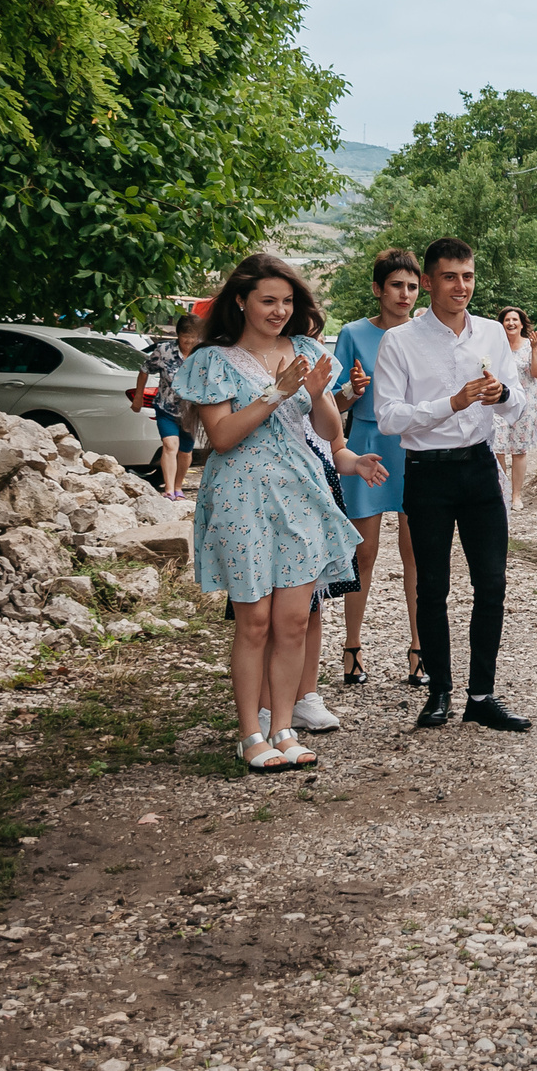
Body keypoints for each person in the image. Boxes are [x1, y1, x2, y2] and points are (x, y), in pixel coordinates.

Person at [172, 254, 383, 775]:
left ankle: (284, 727)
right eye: (268, 300)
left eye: (287, 301)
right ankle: (250, 734)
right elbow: (220, 437)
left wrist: (316, 394)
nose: (279, 311)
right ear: (241, 301)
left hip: (302, 494)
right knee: (255, 620)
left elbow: (330, 429)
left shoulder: (306, 349)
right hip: (240, 496)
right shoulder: (212, 360)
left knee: (293, 619)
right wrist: (278, 391)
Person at [369, 237, 533, 733]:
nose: (461, 287)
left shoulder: (489, 334)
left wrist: (503, 394)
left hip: (482, 467)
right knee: (432, 586)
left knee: (493, 583)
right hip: (428, 472)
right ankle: (438, 689)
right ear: (430, 282)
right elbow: (388, 417)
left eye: (468, 276)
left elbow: (518, 401)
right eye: (449, 277)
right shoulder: (400, 341)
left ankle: (481, 694)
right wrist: (451, 403)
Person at [331, 250, 423, 687]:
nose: (404, 294)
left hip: (414, 446)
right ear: (377, 290)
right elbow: (331, 404)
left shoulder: (425, 333)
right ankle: (352, 647)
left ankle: (419, 649)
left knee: (416, 553)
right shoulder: (352, 334)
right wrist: (352, 388)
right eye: (396, 286)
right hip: (367, 444)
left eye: (411, 286)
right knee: (363, 552)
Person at [133, 313, 204, 500]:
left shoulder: (205, 353)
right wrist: (138, 397)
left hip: (191, 412)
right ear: (178, 335)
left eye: (193, 336)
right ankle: (169, 490)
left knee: (185, 451)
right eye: (185, 336)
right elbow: (144, 370)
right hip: (166, 407)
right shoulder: (164, 350)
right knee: (170, 445)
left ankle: (179, 486)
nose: (189, 340)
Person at [491, 305, 537, 508]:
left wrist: (534, 348)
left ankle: (516, 495)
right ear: (502, 324)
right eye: (507, 320)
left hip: (525, 405)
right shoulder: (496, 346)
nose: (511, 323)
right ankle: (502, 491)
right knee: (497, 447)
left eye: (515, 320)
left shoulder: (530, 345)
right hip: (499, 404)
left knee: (518, 451)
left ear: (522, 324)